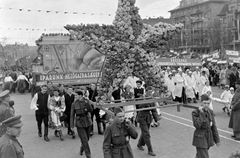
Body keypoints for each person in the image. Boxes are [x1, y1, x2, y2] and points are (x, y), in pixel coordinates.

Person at [136, 87, 160, 156]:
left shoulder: (151, 99)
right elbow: (139, 106)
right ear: (146, 92)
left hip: (148, 117)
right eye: (149, 92)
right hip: (141, 117)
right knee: (146, 134)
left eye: (151, 92)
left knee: (145, 132)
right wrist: (145, 102)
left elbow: (153, 110)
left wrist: (156, 119)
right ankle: (150, 150)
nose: (150, 93)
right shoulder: (142, 98)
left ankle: (139, 144)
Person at [70, 90, 93, 158]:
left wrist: (87, 103)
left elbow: (91, 110)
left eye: (76, 95)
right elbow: (72, 115)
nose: (75, 96)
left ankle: (82, 148)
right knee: (84, 139)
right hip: (79, 123)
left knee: (87, 139)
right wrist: (72, 126)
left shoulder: (86, 101)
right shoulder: (74, 104)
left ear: (80, 95)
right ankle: (88, 155)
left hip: (87, 121)